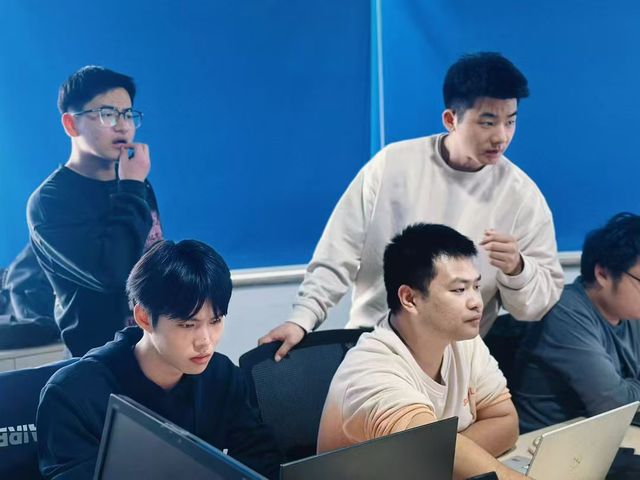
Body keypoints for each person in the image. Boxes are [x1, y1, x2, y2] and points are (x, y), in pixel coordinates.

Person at [260, 52, 563, 361]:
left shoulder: (521, 195)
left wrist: (517, 268)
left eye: (510, 121)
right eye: (488, 122)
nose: (501, 136)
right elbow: (337, 253)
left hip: (457, 362)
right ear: (451, 120)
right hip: (374, 345)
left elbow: (537, 305)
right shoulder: (392, 166)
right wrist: (303, 318)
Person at [36, 239, 280, 479]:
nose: (205, 342)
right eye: (188, 325)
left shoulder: (222, 374)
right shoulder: (75, 393)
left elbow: (260, 457)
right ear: (144, 318)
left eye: (215, 321)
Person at [317, 223, 526, 479]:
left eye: (476, 287)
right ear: (409, 298)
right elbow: (433, 453)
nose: (476, 302)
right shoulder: (371, 373)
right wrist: (446, 457)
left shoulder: (463, 340)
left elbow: (506, 422)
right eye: (459, 290)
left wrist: (449, 457)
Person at [27, 65, 163, 356]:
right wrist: (131, 187)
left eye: (128, 114)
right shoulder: (51, 201)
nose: (123, 126)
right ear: (71, 124)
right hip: (99, 362)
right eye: (107, 114)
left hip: (156, 350)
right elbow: (115, 274)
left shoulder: (134, 181)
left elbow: (153, 257)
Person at [513, 213, 640, 432]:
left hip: (607, 434)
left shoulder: (629, 311)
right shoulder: (564, 311)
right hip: (551, 442)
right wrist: (625, 389)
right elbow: (615, 404)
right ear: (602, 274)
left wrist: (627, 388)